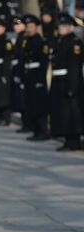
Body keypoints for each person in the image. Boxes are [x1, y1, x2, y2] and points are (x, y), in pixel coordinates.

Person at [49, 13, 83, 151]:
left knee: (72, 113)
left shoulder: (74, 43)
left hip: (69, 82)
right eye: (60, 25)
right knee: (63, 113)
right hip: (59, 81)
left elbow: (74, 66)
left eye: (64, 25)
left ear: (71, 27)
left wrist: (72, 87)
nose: (61, 28)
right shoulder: (61, 41)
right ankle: (68, 140)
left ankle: (74, 141)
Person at [21, 14, 49, 141]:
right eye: (27, 27)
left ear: (36, 27)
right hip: (29, 76)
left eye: (31, 27)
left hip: (37, 77)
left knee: (39, 106)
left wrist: (40, 80)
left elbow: (43, 63)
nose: (28, 29)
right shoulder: (28, 41)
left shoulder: (40, 42)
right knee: (31, 104)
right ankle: (35, 130)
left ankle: (42, 131)